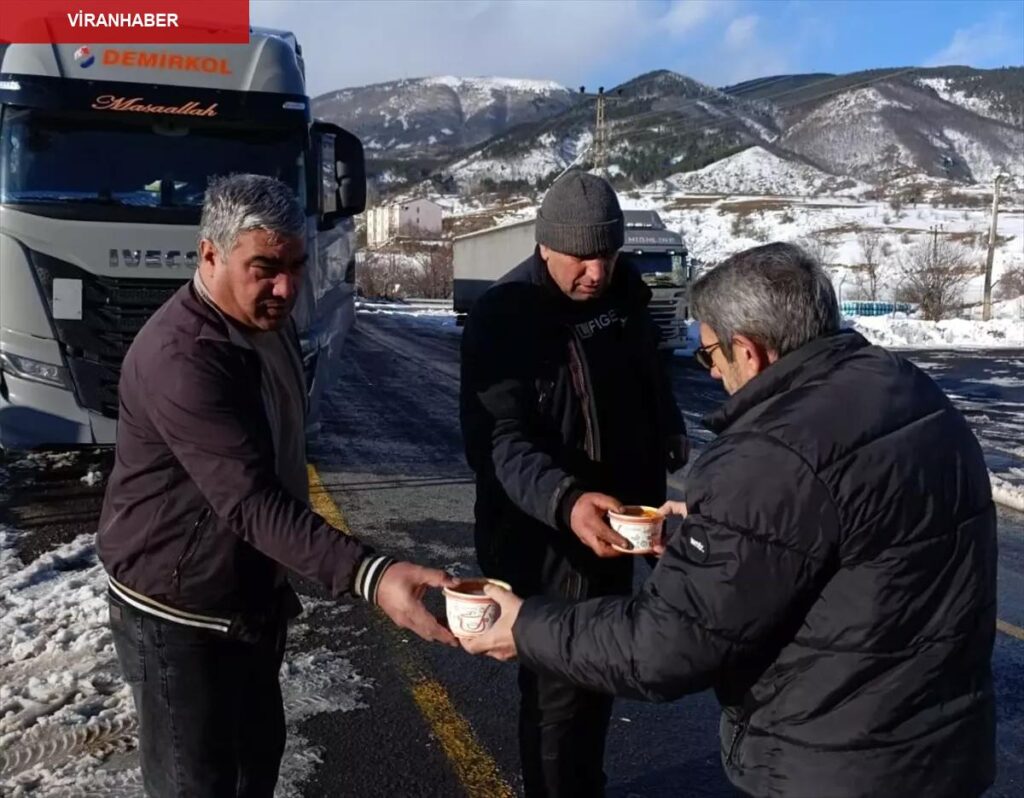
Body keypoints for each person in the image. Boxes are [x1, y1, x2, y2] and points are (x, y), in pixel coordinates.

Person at [463, 242, 997, 798]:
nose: (712, 371)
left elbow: (664, 646)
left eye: (711, 353)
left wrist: (523, 626)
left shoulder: (770, 453)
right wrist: (718, 527)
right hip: (946, 745)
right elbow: (851, 526)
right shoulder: (906, 388)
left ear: (751, 351)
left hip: (839, 763)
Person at [97, 174, 457, 798]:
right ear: (209, 254)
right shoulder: (182, 358)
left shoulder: (268, 322)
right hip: (178, 610)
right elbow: (251, 501)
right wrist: (372, 575)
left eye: (296, 266)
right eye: (265, 267)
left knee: (256, 765)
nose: (286, 287)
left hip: (245, 597)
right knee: (198, 785)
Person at [459, 170, 687, 797]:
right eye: (581, 258)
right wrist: (567, 501)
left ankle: (587, 785)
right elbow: (498, 443)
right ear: (545, 246)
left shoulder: (623, 299)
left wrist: (669, 428)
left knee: (602, 670)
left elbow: (650, 373)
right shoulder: (505, 318)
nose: (595, 271)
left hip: (617, 530)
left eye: (607, 255)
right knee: (556, 696)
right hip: (544, 538)